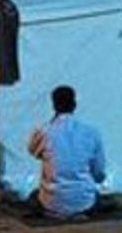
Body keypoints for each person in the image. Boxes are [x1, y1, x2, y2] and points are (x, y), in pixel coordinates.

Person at [27, 86, 107, 219]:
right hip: (84, 201)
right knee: (95, 197)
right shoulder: (91, 132)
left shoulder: (44, 131)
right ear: (74, 104)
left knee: (34, 196)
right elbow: (99, 174)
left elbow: (32, 151)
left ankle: (54, 211)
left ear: (53, 105)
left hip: (51, 201)